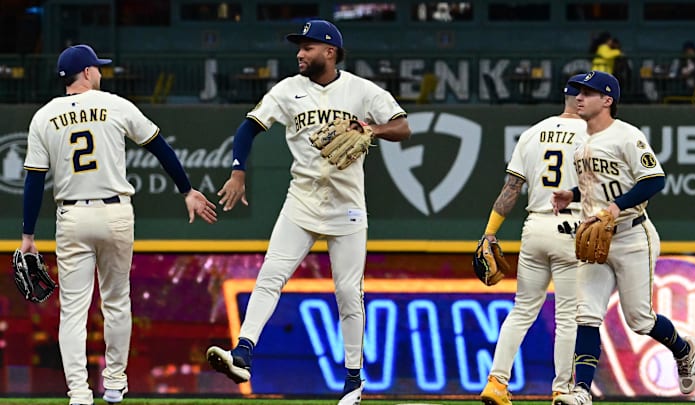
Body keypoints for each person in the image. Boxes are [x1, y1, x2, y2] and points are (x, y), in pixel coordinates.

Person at [204, 19, 411, 405]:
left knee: (349, 293)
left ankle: (353, 381)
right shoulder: (287, 90)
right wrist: (237, 170)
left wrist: (371, 130)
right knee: (269, 276)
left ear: (329, 52)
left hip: (347, 206)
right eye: (299, 47)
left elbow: (403, 127)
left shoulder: (361, 90)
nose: (300, 53)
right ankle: (243, 354)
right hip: (301, 200)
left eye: (308, 47)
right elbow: (249, 127)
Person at [20, 44, 218, 405]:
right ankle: (114, 385)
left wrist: (28, 235)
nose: (100, 72)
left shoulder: (44, 116)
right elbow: (160, 147)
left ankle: (79, 393)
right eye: (96, 67)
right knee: (116, 302)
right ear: (87, 73)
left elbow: (34, 180)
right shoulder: (114, 104)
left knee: (74, 310)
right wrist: (186, 189)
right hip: (115, 213)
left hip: (73, 216)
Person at [551, 71, 695, 405]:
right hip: (596, 236)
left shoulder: (627, 136)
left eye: (588, 93)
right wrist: (572, 195)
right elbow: (599, 187)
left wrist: (616, 208)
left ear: (607, 100)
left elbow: (653, 180)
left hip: (633, 237)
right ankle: (581, 391)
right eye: (577, 92)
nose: (579, 98)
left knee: (640, 319)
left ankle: (685, 348)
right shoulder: (579, 141)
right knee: (586, 315)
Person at [478, 74, 588, 405]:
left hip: (535, 226)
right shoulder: (594, 134)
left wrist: (489, 231)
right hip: (573, 227)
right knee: (568, 315)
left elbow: (511, 189)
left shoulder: (532, 132)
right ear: (586, 99)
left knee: (522, 309)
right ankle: (562, 389)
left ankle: (496, 382)